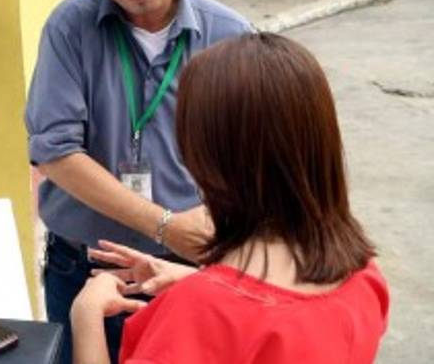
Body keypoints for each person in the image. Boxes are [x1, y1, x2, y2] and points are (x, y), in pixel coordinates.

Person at [24, 0, 252, 364]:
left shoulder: (230, 36)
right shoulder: (69, 28)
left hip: (188, 271)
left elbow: (256, 158)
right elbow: (54, 152)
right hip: (83, 271)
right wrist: (165, 225)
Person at [70, 33, 389, 363]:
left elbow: (238, 320)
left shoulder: (195, 314)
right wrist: (202, 280)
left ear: (209, 156)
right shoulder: (364, 273)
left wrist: (87, 316)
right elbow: (285, 317)